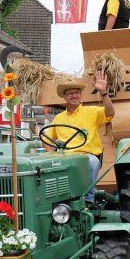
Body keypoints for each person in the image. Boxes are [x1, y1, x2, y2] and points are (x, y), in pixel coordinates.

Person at [48, 72, 114, 203]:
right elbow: (47, 138)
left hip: (87, 156)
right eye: (70, 93)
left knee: (92, 162)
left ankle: (88, 200)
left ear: (80, 95)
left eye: (77, 92)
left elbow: (110, 112)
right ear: (65, 97)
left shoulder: (92, 111)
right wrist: (50, 155)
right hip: (65, 158)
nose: (74, 95)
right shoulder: (58, 118)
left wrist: (104, 93)